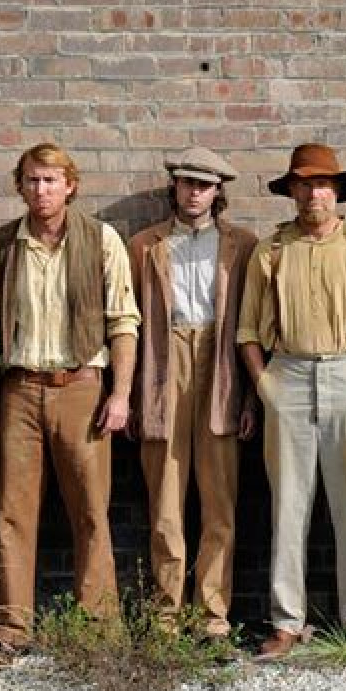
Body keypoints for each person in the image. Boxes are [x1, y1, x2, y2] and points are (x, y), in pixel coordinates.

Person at [237, 143, 346, 661]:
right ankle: (285, 622)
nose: (312, 194)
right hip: (287, 372)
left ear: (337, 191)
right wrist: (265, 385)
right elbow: (246, 331)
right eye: (302, 185)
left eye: (321, 184)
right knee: (288, 503)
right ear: (292, 192)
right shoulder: (272, 250)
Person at [0, 142, 141, 652]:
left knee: (92, 510)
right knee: (12, 512)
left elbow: (124, 323)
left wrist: (120, 394)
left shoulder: (101, 239)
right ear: (20, 185)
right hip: (21, 389)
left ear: (70, 185)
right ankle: (11, 628)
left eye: (51, 180)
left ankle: (97, 629)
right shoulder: (5, 243)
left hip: (82, 389)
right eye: (32, 180)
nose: (41, 189)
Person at [128, 147, 258, 642]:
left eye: (204, 185)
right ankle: (165, 614)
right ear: (174, 187)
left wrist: (247, 399)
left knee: (219, 497)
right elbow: (132, 328)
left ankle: (213, 616)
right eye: (187, 183)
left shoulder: (242, 245)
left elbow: (251, 329)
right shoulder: (146, 245)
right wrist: (135, 396)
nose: (195, 192)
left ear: (219, 190)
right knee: (165, 497)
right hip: (164, 365)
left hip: (221, 364)